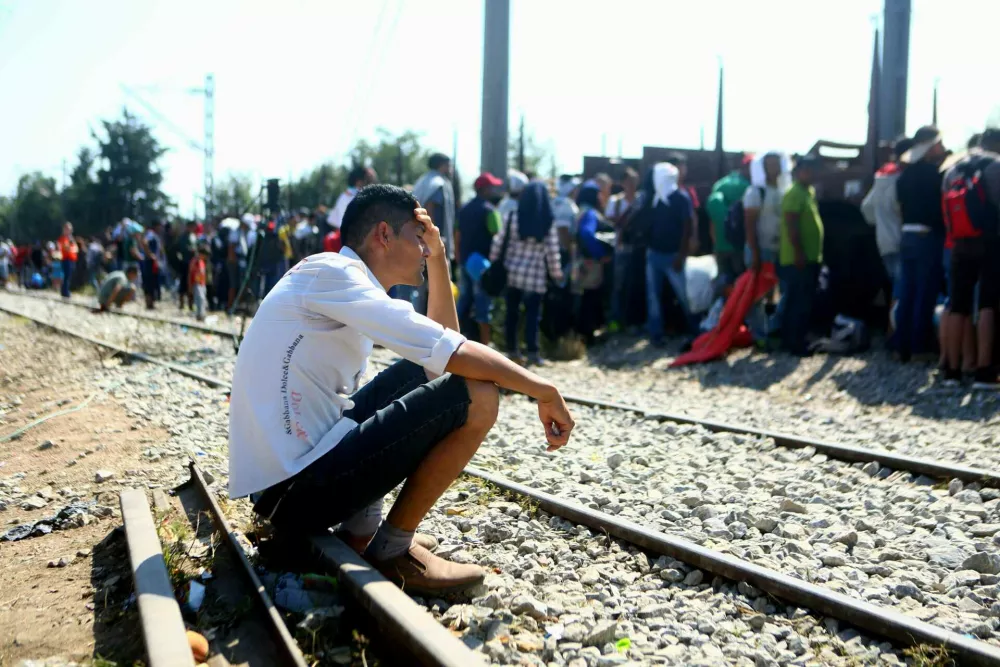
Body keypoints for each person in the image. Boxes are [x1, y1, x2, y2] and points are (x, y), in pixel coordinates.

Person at [230, 184, 574, 594]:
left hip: (291, 484)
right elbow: (454, 352)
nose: (425, 249)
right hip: (293, 494)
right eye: (419, 237)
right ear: (383, 235)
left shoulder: (338, 278)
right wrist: (544, 389)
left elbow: (440, 348)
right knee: (478, 395)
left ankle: (365, 533)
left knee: (432, 373)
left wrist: (442, 259)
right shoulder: (334, 275)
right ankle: (392, 551)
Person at [939, 129, 1000, 388]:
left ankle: (952, 372)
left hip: (960, 243)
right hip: (990, 241)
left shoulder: (954, 168)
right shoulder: (995, 166)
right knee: (988, 303)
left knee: (958, 304)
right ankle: (984, 372)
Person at [489, 182, 564, 365]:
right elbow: (552, 251)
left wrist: (493, 261)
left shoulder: (513, 216)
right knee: (533, 315)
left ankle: (512, 350)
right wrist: (557, 273)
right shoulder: (547, 221)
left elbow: (499, 242)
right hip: (535, 276)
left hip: (513, 272)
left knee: (511, 313)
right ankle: (533, 352)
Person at [895, 126, 947, 362]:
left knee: (907, 292)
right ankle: (919, 347)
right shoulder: (934, 175)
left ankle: (900, 346)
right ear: (931, 146)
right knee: (925, 293)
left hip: (906, 235)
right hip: (927, 237)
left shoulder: (905, 175)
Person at [640, 163, 695, 346]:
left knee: (685, 296)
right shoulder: (654, 200)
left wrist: (681, 255)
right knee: (653, 296)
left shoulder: (681, 198)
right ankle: (656, 334)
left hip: (673, 256)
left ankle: (695, 331)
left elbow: (687, 229)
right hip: (654, 254)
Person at [743, 152, 792, 342]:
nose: (774, 169)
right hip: (760, 249)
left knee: (783, 291)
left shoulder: (783, 190)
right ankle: (759, 335)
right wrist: (754, 253)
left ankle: (773, 328)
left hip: (780, 249)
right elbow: (750, 225)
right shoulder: (755, 192)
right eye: (769, 165)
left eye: (776, 164)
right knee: (757, 296)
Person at [779, 156, 825, 356]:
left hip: (811, 257)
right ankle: (793, 342)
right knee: (797, 301)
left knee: (805, 300)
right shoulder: (793, 193)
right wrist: (798, 251)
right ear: (797, 172)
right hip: (797, 258)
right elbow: (792, 224)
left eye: (812, 169)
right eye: (806, 169)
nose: (810, 173)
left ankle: (799, 338)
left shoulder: (809, 192)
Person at [861, 137, 915, 291]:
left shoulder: (882, 178)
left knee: (896, 289)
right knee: (903, 290)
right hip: (902, 242)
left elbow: (867, 207)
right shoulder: (902, 179)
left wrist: (882, 222)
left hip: (884, 242)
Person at [456, 172, 503, 345]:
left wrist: (460, 258)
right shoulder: (490, 211)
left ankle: (455, 340)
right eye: (492, 187)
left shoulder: (464, 209)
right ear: (485, 189)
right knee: (483, 303)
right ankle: (485, 346)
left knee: (464, 301)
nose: (494, 190)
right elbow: (497, 233)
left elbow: (457, 234)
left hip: (465, 261)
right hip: (482, 264)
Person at [574, 182, 614, 343]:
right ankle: (588, 335)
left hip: (580, 261)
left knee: (583, 298)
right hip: (590, 263)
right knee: (591, 297)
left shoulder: (580, 211)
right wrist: (600, 254)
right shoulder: (590, 213)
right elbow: (587, 234)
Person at [706, 156, 752, 284]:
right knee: (741, 282)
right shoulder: (747, 187)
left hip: (720, 245)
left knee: (723, 281)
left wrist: (716, 243)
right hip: (738, 247)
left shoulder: (720, 184)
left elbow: (712, 219)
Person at [606, 168, 639, 333]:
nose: (632, 185)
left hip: (637, 250)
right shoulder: (616, 202)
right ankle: (615, 320)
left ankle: (631, 321)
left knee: (634, 286)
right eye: (629, 181)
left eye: (634, 181)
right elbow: (610, 222)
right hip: (621, 248)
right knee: (618, 286)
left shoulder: (641, 200)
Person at [666, 153, 701, 251]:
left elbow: (693, 217)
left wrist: (694, 237)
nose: (683, 170)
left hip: (681, 242)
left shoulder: (688, 191)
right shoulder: (662, 191)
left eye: (683, 167)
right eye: (680, 167)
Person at [328, 166, 377, 231]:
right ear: (359, 181)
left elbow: (334, 222)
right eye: (368, 179)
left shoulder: (343, 196)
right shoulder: (358, 197)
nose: (371, 183)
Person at [142, 220, 164, 309]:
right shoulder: (151, 234)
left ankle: (152, 303)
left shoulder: (156, 235)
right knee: (150, 283)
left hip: (154, 263)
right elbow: (144, 242)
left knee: (154, 282)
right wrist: (150, 254)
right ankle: (149, 303)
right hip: (150, 263)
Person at [57, 222, 79, 298]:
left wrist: (72, 249)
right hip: (66, 259)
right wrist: (72, 249)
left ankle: (65, 291)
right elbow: (66, 248)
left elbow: (76, 249)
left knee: (68, 276)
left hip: (72, 260)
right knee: (66, 276)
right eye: (68, 229)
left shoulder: (71, 239)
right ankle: (65, 292)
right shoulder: (63, 239)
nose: (69, 231)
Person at [189, 243, 210, 321]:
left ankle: (202, 314)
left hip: (202, 283)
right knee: (199, 299)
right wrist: (190, 285)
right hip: (196, 283)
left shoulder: (202, 262)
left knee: (203, 299)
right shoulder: (195, 261)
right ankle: (199, 315)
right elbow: (190, 274)